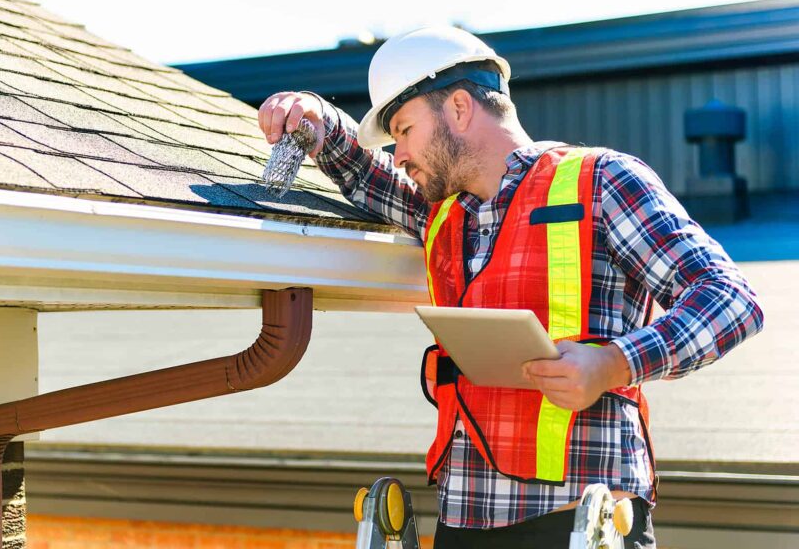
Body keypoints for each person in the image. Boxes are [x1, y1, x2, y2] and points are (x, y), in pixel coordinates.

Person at [257, 27, 764, 549]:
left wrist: (612, 363)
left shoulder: (603, 181)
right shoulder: (443, 213)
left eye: (405, 130)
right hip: (465, 519)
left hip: (578, 520)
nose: (401, 154)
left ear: (458, 107)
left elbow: (731, 300)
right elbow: (367, 174)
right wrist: (313, 116)